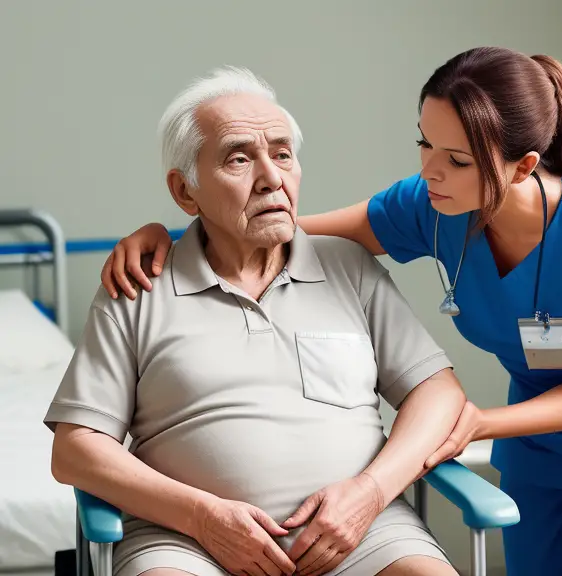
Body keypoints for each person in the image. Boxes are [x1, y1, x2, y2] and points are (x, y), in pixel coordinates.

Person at [101, 48, 562, 576]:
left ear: (524, 166)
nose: (429, 171)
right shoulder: (432, 205)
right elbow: (285, 229)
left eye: (457, 159)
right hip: (541, 433)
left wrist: (480, 423)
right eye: (425, 143)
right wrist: (171, 234)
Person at [45, 66, 468, 576]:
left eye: (283, 154)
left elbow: (438, 393)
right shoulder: (138, 287)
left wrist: (370, 494)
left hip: (364, 534)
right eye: (239, 158)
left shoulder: (348, 267)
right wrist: (202, 517)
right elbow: (74, 449)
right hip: (184, 542)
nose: (272, 176)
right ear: (185, 193)